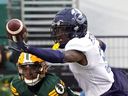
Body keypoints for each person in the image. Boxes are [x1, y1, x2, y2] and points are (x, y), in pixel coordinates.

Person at [12, 8, 128, 96]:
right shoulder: (87, 37)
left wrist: (28, 48)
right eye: (57, 29)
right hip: (114, 79)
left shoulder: (78, 46)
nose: (58, 33)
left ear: (76, 29)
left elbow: (60, 57)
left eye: (63, 29)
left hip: (108, 91)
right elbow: (102, 44)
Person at [9, 52, 78, 96]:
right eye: (24, 68)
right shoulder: (16, 84)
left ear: (43, 68)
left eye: (33, 68)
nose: (28, 73)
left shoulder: (52, 84)